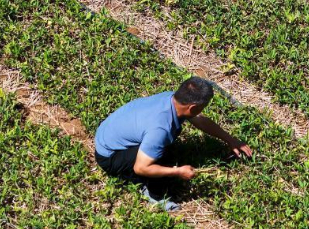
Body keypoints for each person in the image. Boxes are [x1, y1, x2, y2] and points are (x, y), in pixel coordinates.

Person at [94, 77, 253, 211]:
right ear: (192, 107)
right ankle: (151, 193)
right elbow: (141, 167)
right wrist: (177, 172)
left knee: (162, 148)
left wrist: (230, 140)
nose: (202, 111)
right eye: (203, 107)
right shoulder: (160, 128)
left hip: (107, 135)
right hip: (109, 156)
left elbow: (201, 121)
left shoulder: (171, 99)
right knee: (157, 156)